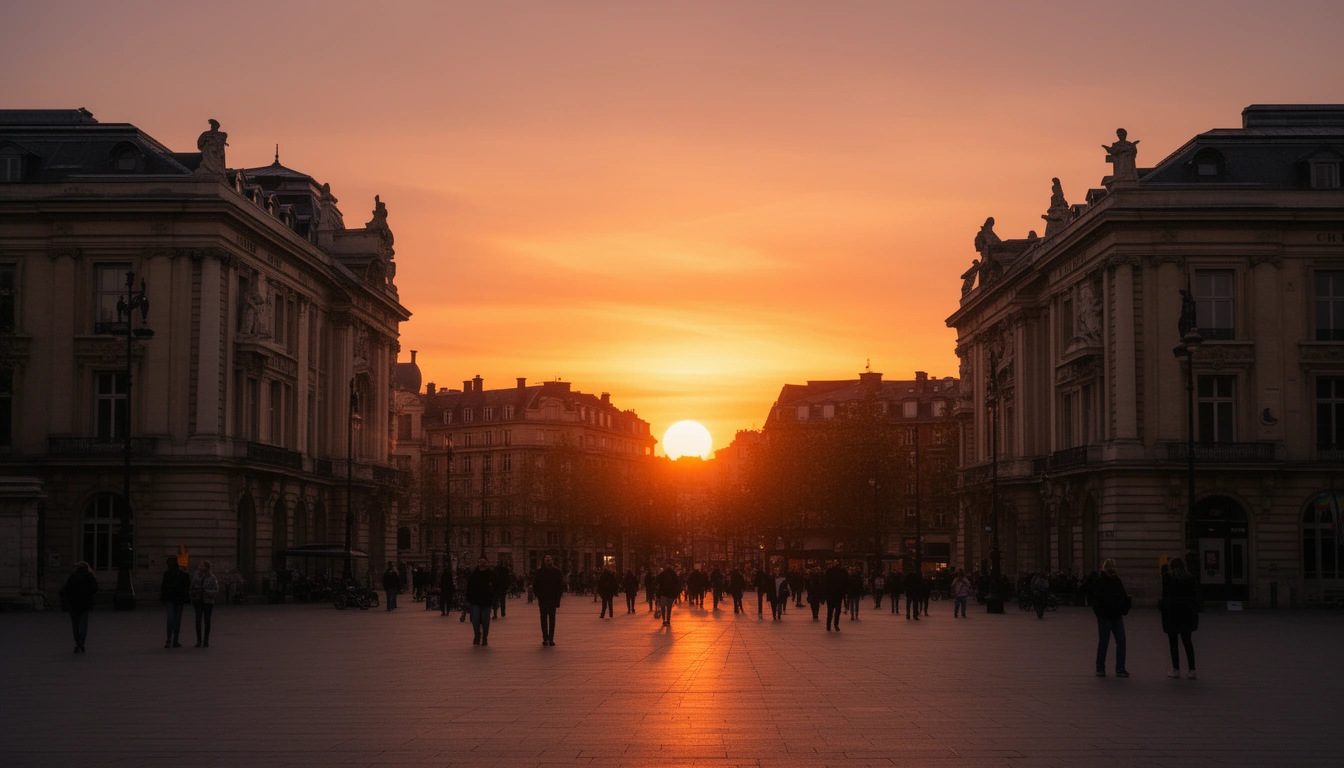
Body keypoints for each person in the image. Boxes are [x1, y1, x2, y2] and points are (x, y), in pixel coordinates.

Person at [1161, 557, 1199, 679]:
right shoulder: (1190, 578)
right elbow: (1194, 596)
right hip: (1186, 614)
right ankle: (1192, 670)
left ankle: (1176, 669)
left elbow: (1165, 596)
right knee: (1188, 643)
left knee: (1173, 643)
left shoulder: (1167, 577)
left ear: (1171, 566)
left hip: (1172, 613)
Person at [1092, 558, 1130, 677]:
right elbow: (1096, 600)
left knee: (1119, 642)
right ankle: (1103, 667)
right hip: (1106, 617)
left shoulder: (1117, 581)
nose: (1112, 569)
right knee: (1107, 642)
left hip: (1115, 616)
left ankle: (1117, 668)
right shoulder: (1100, 582)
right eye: (1110, 566)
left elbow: (1123, 597)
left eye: (1113, 566)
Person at [60, 561, 98, 654]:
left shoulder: (73, 577)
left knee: (75, 626)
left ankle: (78, 644)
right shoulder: (90, 577)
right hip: (85, 605)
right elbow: (95, 589)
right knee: (83, 626)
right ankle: (81, 644)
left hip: (73, 605)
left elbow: (65, 590)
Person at [159, 555, 190, 648]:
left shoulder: (181, 574)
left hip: (177, 599)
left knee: (175, 619)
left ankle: (173, 639)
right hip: (171, 599)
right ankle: (171, 639)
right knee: (172, 618)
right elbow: (163, 586)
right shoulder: (169, 574)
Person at [534, 555, 563, 646]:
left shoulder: (556, 571)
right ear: (544, 560)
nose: (547, 560)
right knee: (543, 618)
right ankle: (545, 638)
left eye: (549, 559)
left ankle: (551, 638)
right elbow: (535, 584)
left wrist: (558, 598)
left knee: (551, 618)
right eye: (546, 559)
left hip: (552, 598)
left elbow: (560, 586)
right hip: (543, 598)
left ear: (552, 560)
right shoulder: (540, 571)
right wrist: (537, 594)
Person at [466, 558, 496, 645]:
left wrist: (493, 595)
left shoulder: (490, 574)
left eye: (484, 563)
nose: (482, 565)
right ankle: (477, 635)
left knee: (485, 621)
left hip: (487, 601)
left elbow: (495, 585)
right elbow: (470, 586)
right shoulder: (475, 573)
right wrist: (469, 598)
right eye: (481, 563)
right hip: (476, 601)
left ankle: (485, 637)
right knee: (475, 620)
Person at [189, 560, 219, 648]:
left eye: (202, 566)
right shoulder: (196, 575)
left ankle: (206, 640)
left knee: (207, 621)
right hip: (198, 601)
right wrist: (192, 594)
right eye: (200, 565)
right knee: (198, 621)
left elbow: (216, 590)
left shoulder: (212, 577)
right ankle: (199, 640)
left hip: (208, 601)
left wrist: (207, 591)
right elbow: (192, 587)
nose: (200, 567)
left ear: (207, 568)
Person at [823, 560, 847, 632]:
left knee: (830, 610)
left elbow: (825, 584)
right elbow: (844, 584)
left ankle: (828, 625)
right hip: (838, 594)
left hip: (830, 595)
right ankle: (836, 624)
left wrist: (824, 596)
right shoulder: (842, 572)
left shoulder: (828, 572)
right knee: (837, 610)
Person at [656, 561, 681, 628]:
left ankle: (664, 619)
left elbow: (656, 580)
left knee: (663, 607)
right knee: (669, 607)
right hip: (671, 593)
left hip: (663, 593)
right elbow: (677, 583)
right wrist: (677, 592)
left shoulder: (662, 573)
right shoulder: (673, 574)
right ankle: (668, 620)